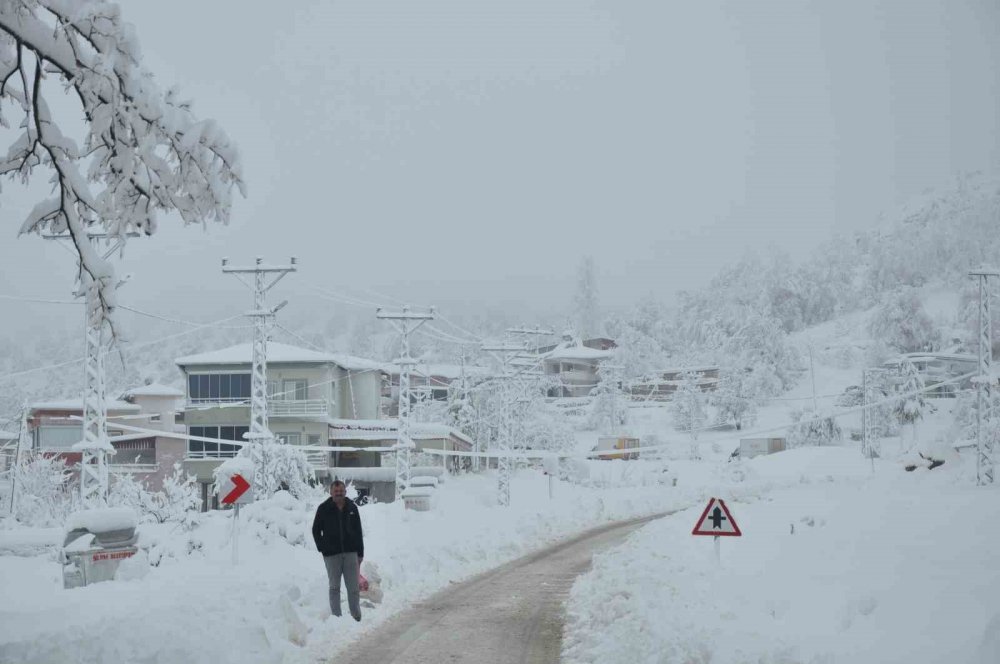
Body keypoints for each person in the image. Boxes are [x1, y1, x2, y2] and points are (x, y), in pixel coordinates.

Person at [312, 480, 364, 621]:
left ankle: (356, 615)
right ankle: (337, 618)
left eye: (341, 491)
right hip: (332, 556)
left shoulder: (352, 508)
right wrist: (323, 548)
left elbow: (358, 531)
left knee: (353, 588)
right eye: (336, 491)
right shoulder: (323, 509)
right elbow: (316, 530)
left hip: (350, 554)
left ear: (345, 492)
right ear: (331, 492)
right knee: (334, 588)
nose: (339, 494)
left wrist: (360, 553)